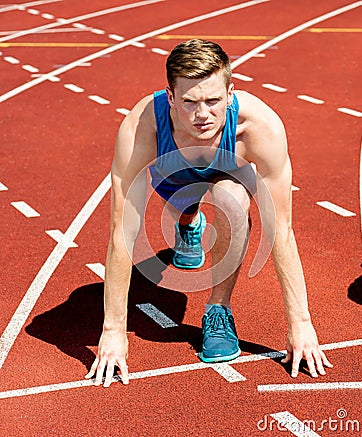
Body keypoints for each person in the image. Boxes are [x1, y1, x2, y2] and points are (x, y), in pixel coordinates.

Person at [85, 39, 333, 387]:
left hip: (230, 173)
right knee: (184, 207)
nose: (202, 115)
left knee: (230, 199)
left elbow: (281, 230)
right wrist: (113, 330)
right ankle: (190, 225)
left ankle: (218, 310)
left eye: (213, 101)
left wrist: (301, 323)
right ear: (170, 97)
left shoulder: (261, 129)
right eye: (189, 102)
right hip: (173, 174)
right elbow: (122, 232)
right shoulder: (142, 128)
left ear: (231, 93)